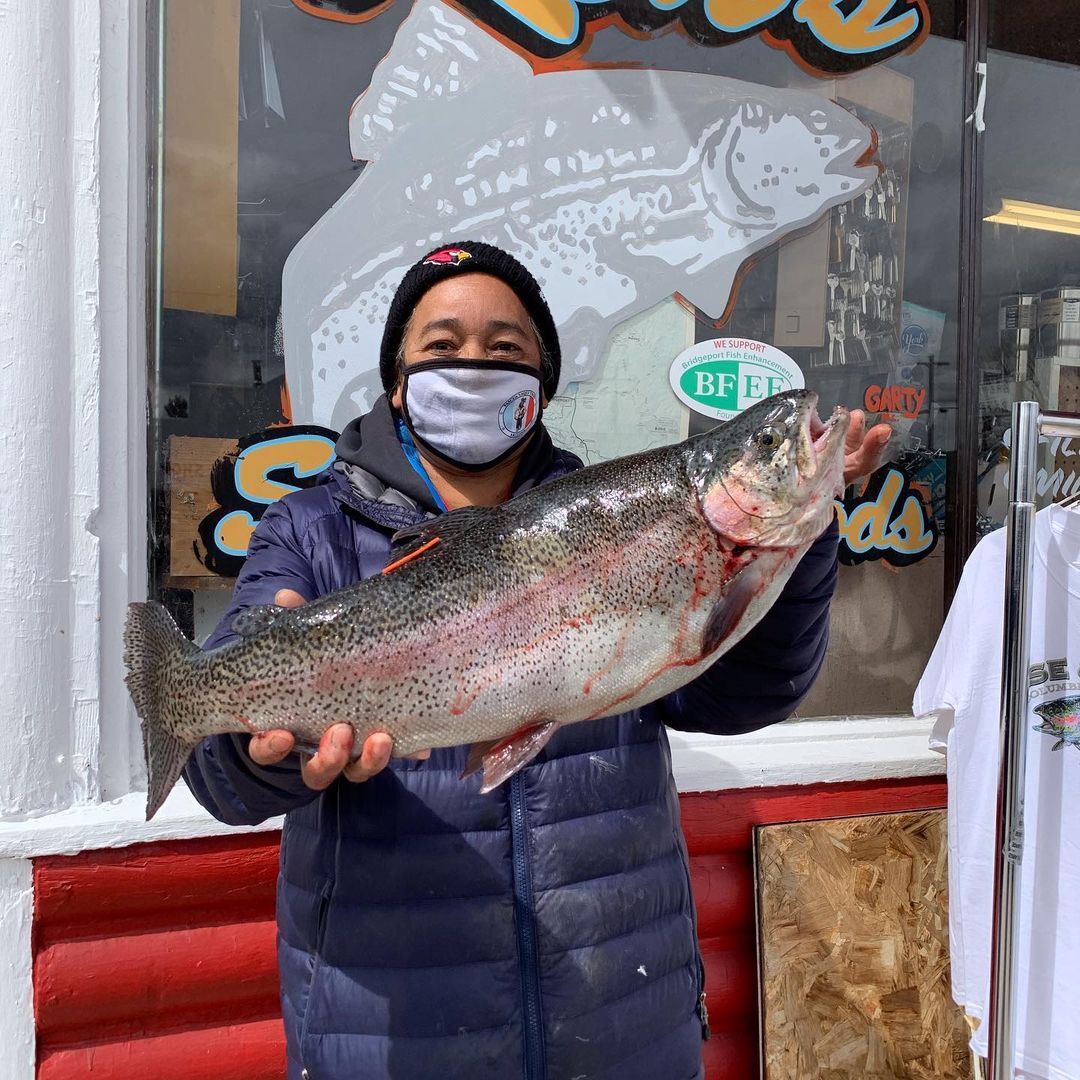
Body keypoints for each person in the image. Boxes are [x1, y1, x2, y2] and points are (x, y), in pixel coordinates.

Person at [185, 241, 890, 1080]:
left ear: (544, 385)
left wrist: (803, 537)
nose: (474, 366)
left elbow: (739, 695)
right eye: (442, 347)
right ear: (398, 379)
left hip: (624, 1017)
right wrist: (264, 754)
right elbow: (217, 763)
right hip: (386, 1034)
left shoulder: (619, 518)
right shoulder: (310, 530)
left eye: (506, 349)